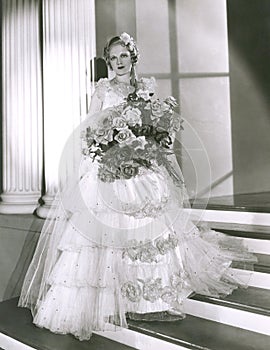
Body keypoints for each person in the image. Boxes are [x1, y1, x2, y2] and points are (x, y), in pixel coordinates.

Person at [18, 33, 256, 341]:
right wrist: (105, 151)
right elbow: (88, 130)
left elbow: (157, 130)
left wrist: (157, 152)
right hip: (109, 167)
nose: (118, 63)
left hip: (142, 165)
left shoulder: (145, 89)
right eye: (113, 58)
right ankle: (113, 301)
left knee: (151, 230)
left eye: (123, 57)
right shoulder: (102, 89)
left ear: (133, 59)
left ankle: (151, 299)